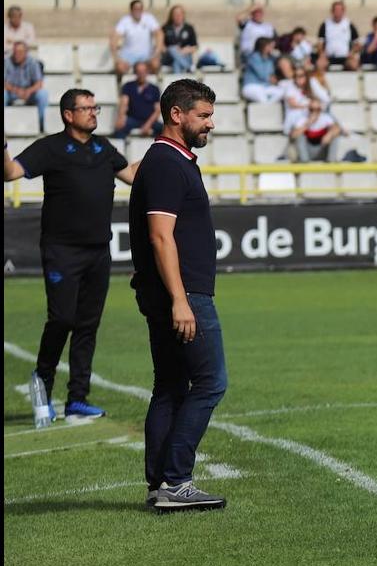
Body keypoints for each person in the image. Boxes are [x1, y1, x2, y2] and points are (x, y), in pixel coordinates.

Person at [3, 88, 140, 421]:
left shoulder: (103, 148)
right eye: (87, 108)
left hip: (98, 252)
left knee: (87, 326)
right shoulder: (49, 148)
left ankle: (77, 399)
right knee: (62, 318)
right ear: (68, 114)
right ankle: (42, 382)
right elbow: (9, 173)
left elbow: (133, 176)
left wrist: (168, 143)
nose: (94, 113)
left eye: (95, 107)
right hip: (61, 251)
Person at [128, 79, 229, 512]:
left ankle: (160, 484)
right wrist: (180, 299)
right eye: (203, 115)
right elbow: (160, 237)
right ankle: (175, 480)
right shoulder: (167, 163)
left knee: (170, 386)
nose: (211, 123)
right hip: (182, 293)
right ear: (177, 115)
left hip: (172, 292)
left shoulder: (173, 160)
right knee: (210, 382)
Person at [4, 41, 48, 131]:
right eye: (15, 52)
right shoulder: (6, 62)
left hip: (29, 93)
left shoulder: (33, 62)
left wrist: (29, 91)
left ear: (26, 52)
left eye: (20, 52)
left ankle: (42, 123)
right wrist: (16, 90)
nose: (17, 55)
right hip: (11, 92)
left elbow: (39, 83)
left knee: (43, 94)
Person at [114, 61, 164, 139]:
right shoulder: (128, 86)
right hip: (133, 119)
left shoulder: (154, 89)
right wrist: (121, 118)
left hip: (149, 120)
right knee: (119, 129)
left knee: (166, 131)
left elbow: (157, 110)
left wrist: (148, 124)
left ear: (147, 72)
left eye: (143, 71)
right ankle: (120, 149)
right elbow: (124, 104)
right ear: (135, 72)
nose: (141, 74)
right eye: (139, 71)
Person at [112, 0, 163, 75]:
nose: (138, 11)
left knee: (156, 64)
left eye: (140, 9)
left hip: (146, 56)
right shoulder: (125, 20)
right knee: (119, 67)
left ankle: (157, 83)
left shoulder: (149, 18)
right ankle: (120, 84)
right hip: (128, 56)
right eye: (135, 9)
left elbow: (159, 34)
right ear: (131, 10)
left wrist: (157, 53)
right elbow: (114, 37)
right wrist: (116, 57)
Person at [317, 1, 362, 71]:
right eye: (335, 10)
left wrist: (352, 53)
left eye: (340, 10)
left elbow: (357, 44)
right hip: (329, 57)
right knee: (319, 64)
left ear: (343, 11)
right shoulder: (325, 25)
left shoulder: (349, 25)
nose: (337, 12)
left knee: (354, 65)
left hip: (346, 57)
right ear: (332, 11)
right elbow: (320, 44)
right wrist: (322, 54)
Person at [241, 37, 286, 103]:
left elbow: (271, 74)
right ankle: (267, 108)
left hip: (264, 86)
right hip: (252, 86)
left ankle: (268, 106)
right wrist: (271, 79)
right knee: (263, 99)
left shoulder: (270, 59)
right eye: (269, 46)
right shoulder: (254, 57)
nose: (272, 48)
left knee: (281, 92)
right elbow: (262, 74)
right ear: (263, 46)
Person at [162, 5, 200, 73]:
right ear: (171, 16)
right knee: (172, 49)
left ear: (183, 15)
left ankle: (178, 82)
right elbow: (161, 45)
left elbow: (195, 47)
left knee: (176, 63)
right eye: (175, 14)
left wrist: (185, 50)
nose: (178, 16)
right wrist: (171, 50)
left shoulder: (189, 28)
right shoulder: (165, 28)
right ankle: (189, 68)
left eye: (180, 14)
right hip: (169, 56)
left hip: (185, 55)